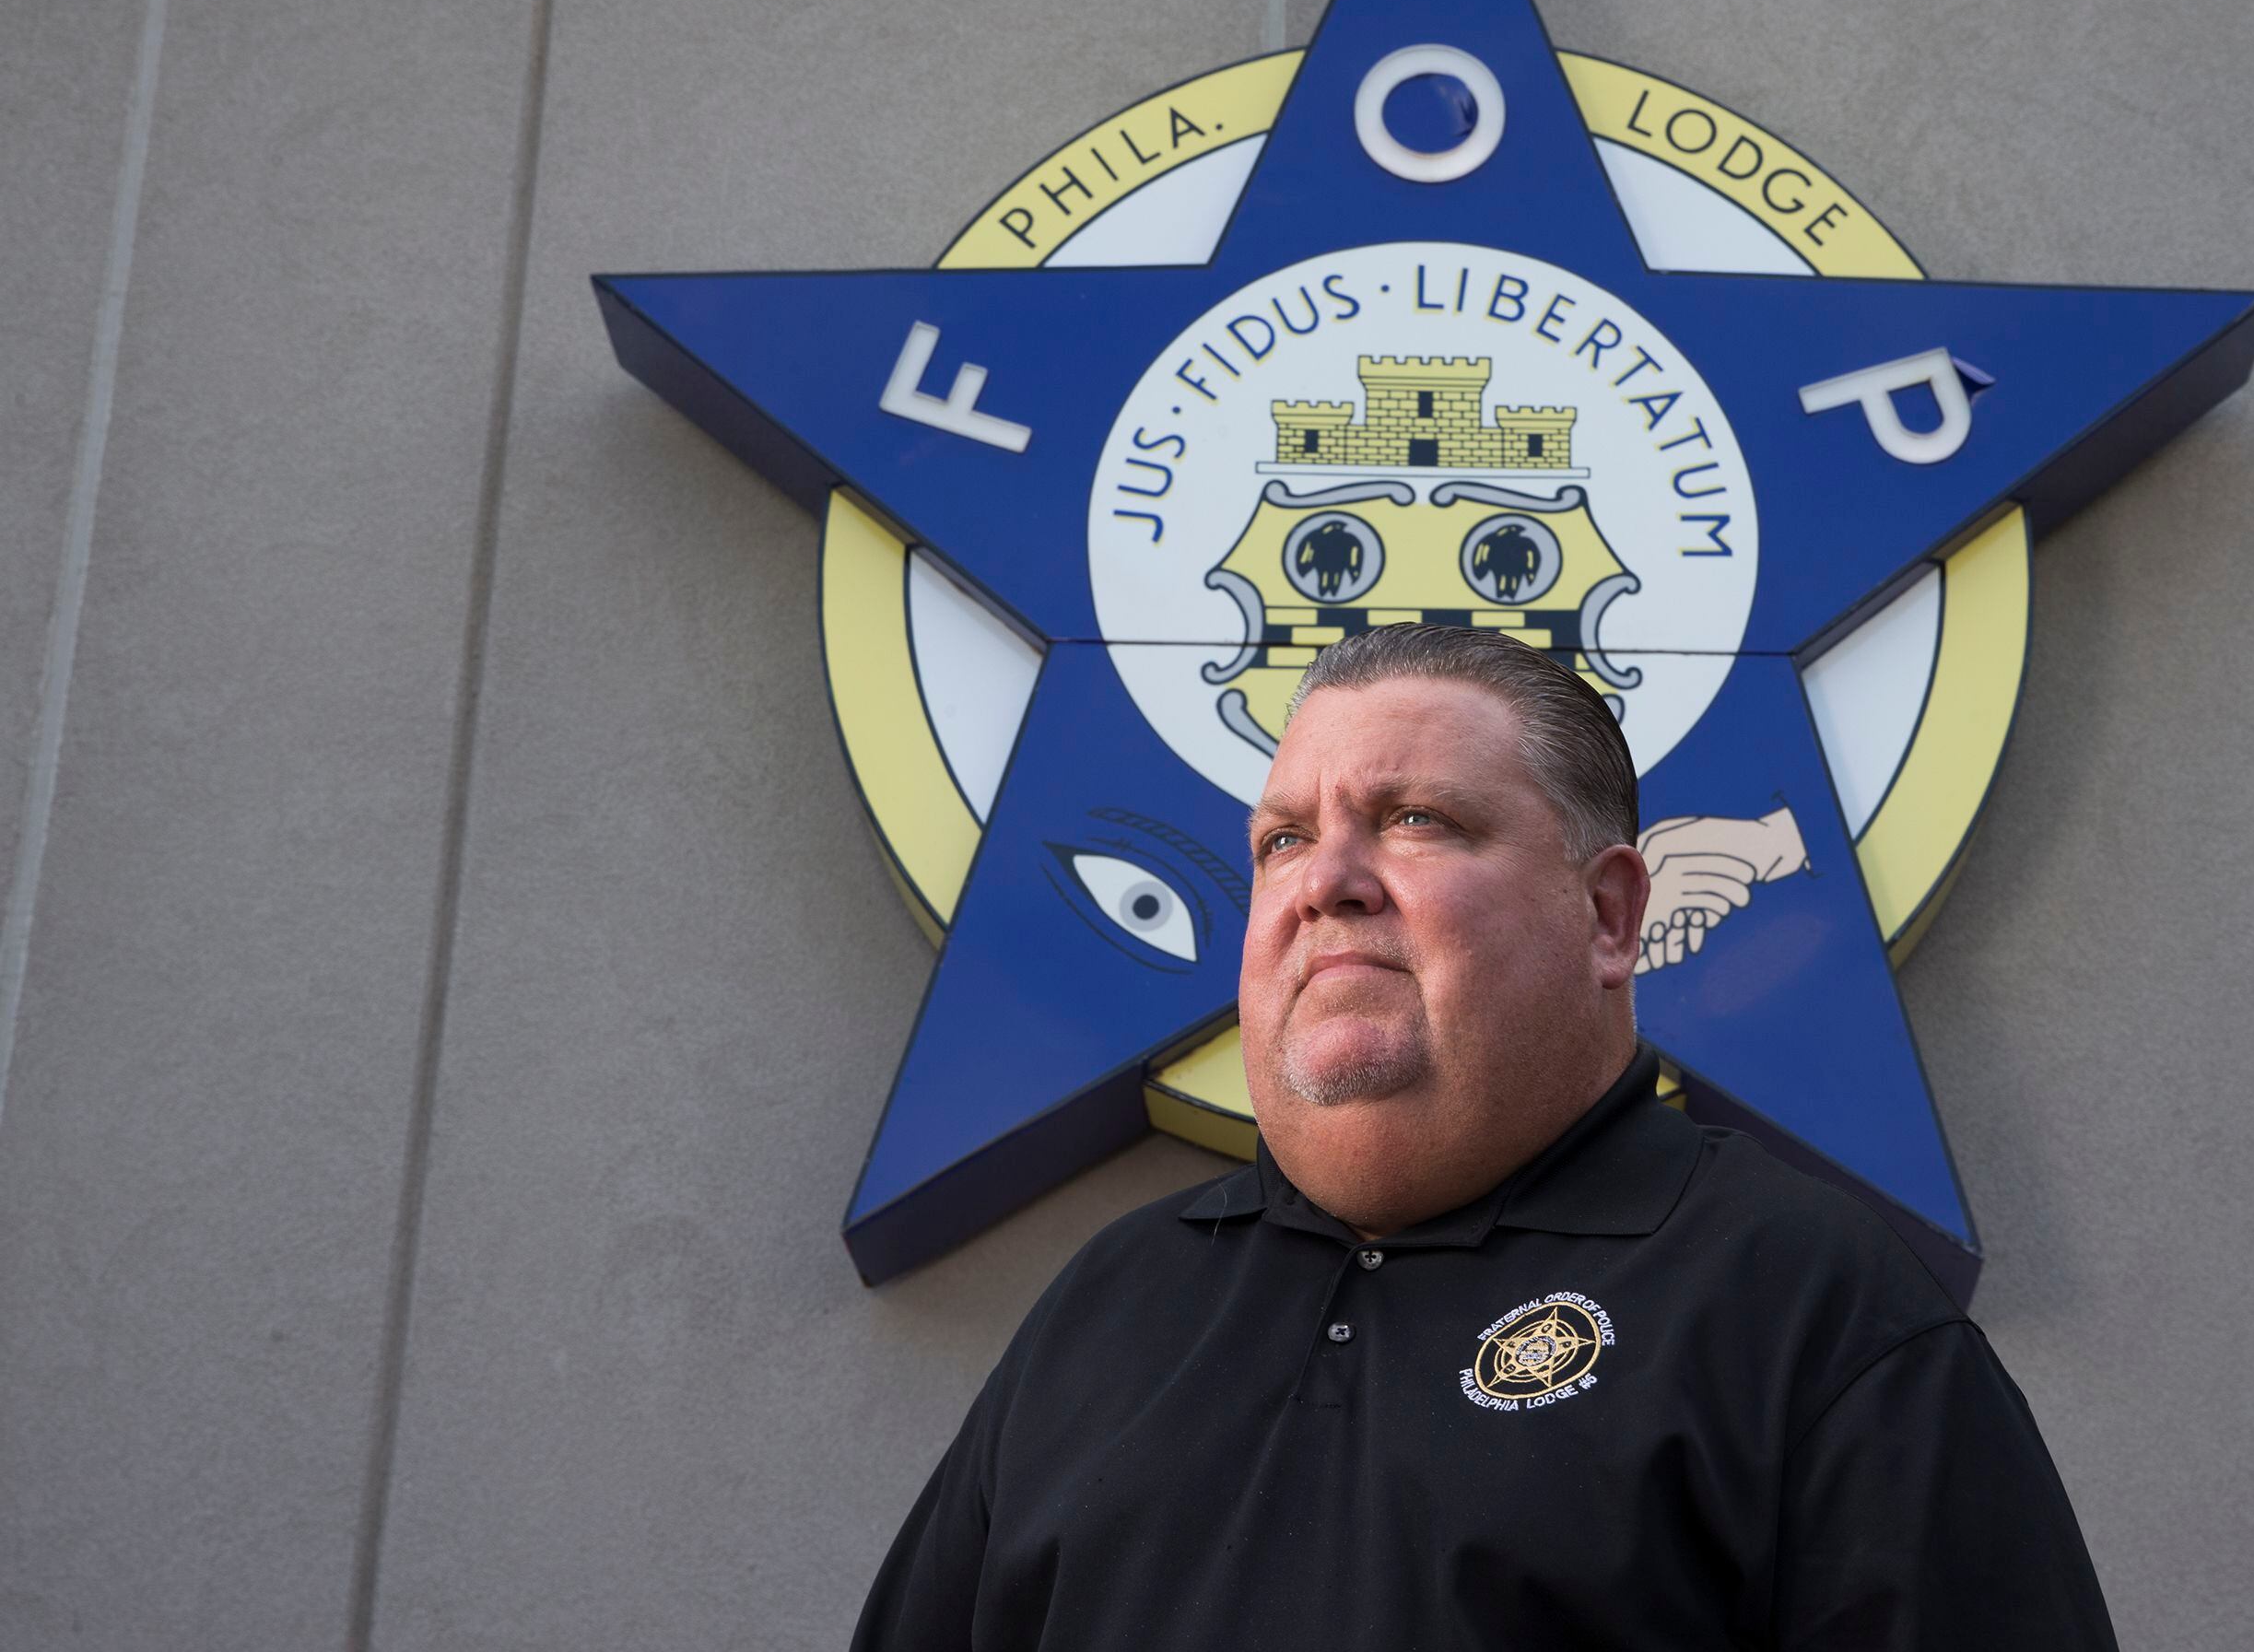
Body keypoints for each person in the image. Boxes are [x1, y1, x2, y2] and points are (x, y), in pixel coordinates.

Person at [852, 624, 2117, 1650]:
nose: (1325, 881)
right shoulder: (1109, 1307)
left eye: (1416, 820)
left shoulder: (1809, 1310)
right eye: (1284, 839)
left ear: (1609, 915)